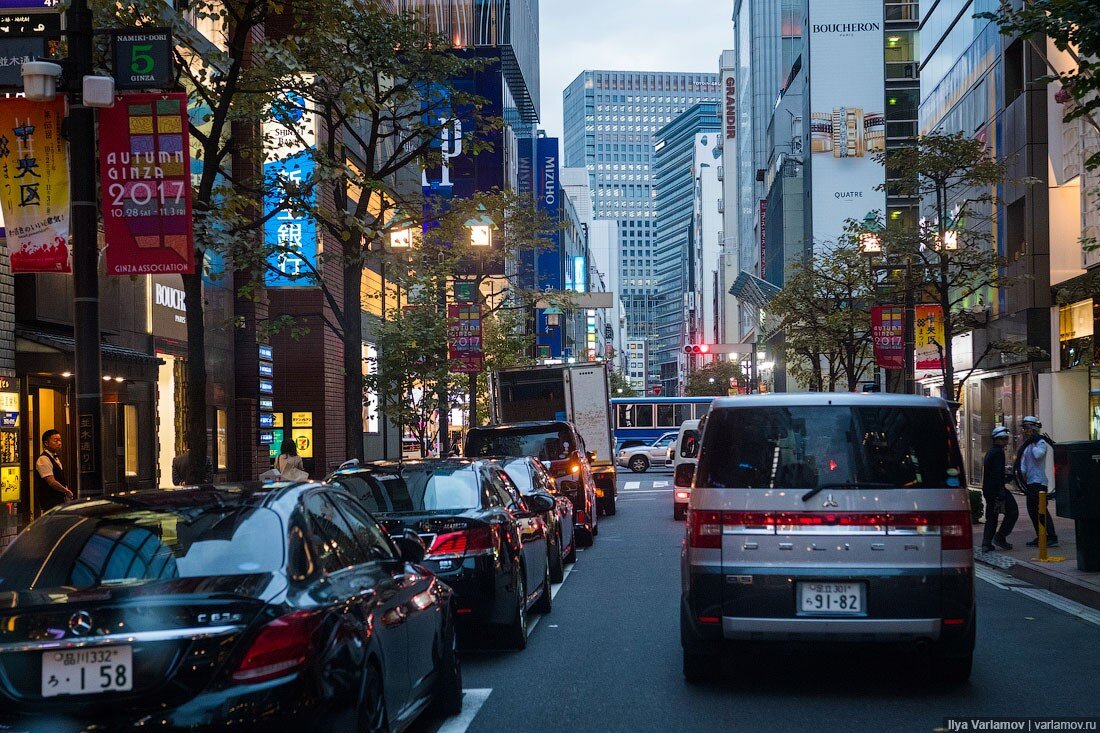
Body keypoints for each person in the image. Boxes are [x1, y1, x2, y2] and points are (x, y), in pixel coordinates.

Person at [1014, 416, 1058, 548]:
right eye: (1025, 428)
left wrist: (1033, 442)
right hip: (1030, 483)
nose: (1025, 431)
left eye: (1028, 428)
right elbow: (1022, 464)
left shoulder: (1040, 443)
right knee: (1032, 511)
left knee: (1041, 510)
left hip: (1039, 482)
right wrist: (1020, 476)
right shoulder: (1027, 446)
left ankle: (1051, 537)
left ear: (1034, 428)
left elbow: (1038, 455)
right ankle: (1041, 536)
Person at [981, 426, 1018, 552]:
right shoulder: (998, 452)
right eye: (1005, 439)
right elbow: (996, 473)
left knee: (992, 515)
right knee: (1012, 511)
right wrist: (1001, 490)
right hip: (996, 490)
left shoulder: (992, 451)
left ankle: (986, 543)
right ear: (998, 439)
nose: (1007, 441)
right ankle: (1000, 537)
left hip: (990, 489)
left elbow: (993, 472)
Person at [35, 429, 73, 512]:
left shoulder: (55, 458)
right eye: (56, 441)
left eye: (60, 440)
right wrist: (66, 491)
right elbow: (51, 482)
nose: (59, 443)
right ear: (46, 443)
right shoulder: (43, 459)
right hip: (50, 503)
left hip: (59, 501)